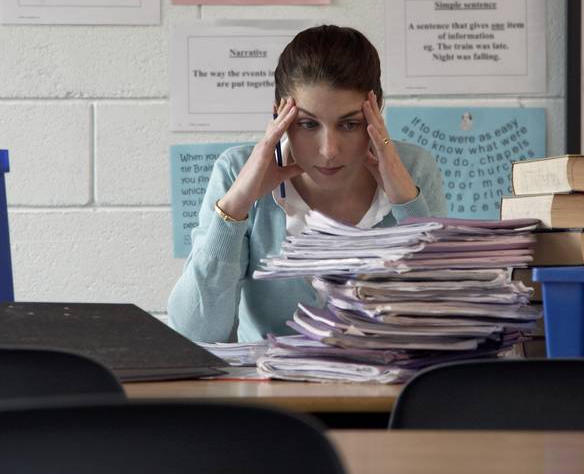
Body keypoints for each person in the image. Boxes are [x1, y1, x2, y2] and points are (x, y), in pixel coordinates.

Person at [168, 25, 447, 343]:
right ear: (279, 117)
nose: (329, 150)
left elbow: (444, 321)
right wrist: (234, 208)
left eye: (350, 124)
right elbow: (194, 334)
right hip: (269, 388)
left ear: (376, 111)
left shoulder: (412, 168)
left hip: (385, 387)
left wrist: (409, 206)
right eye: (307, 124)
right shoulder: (236, 170)